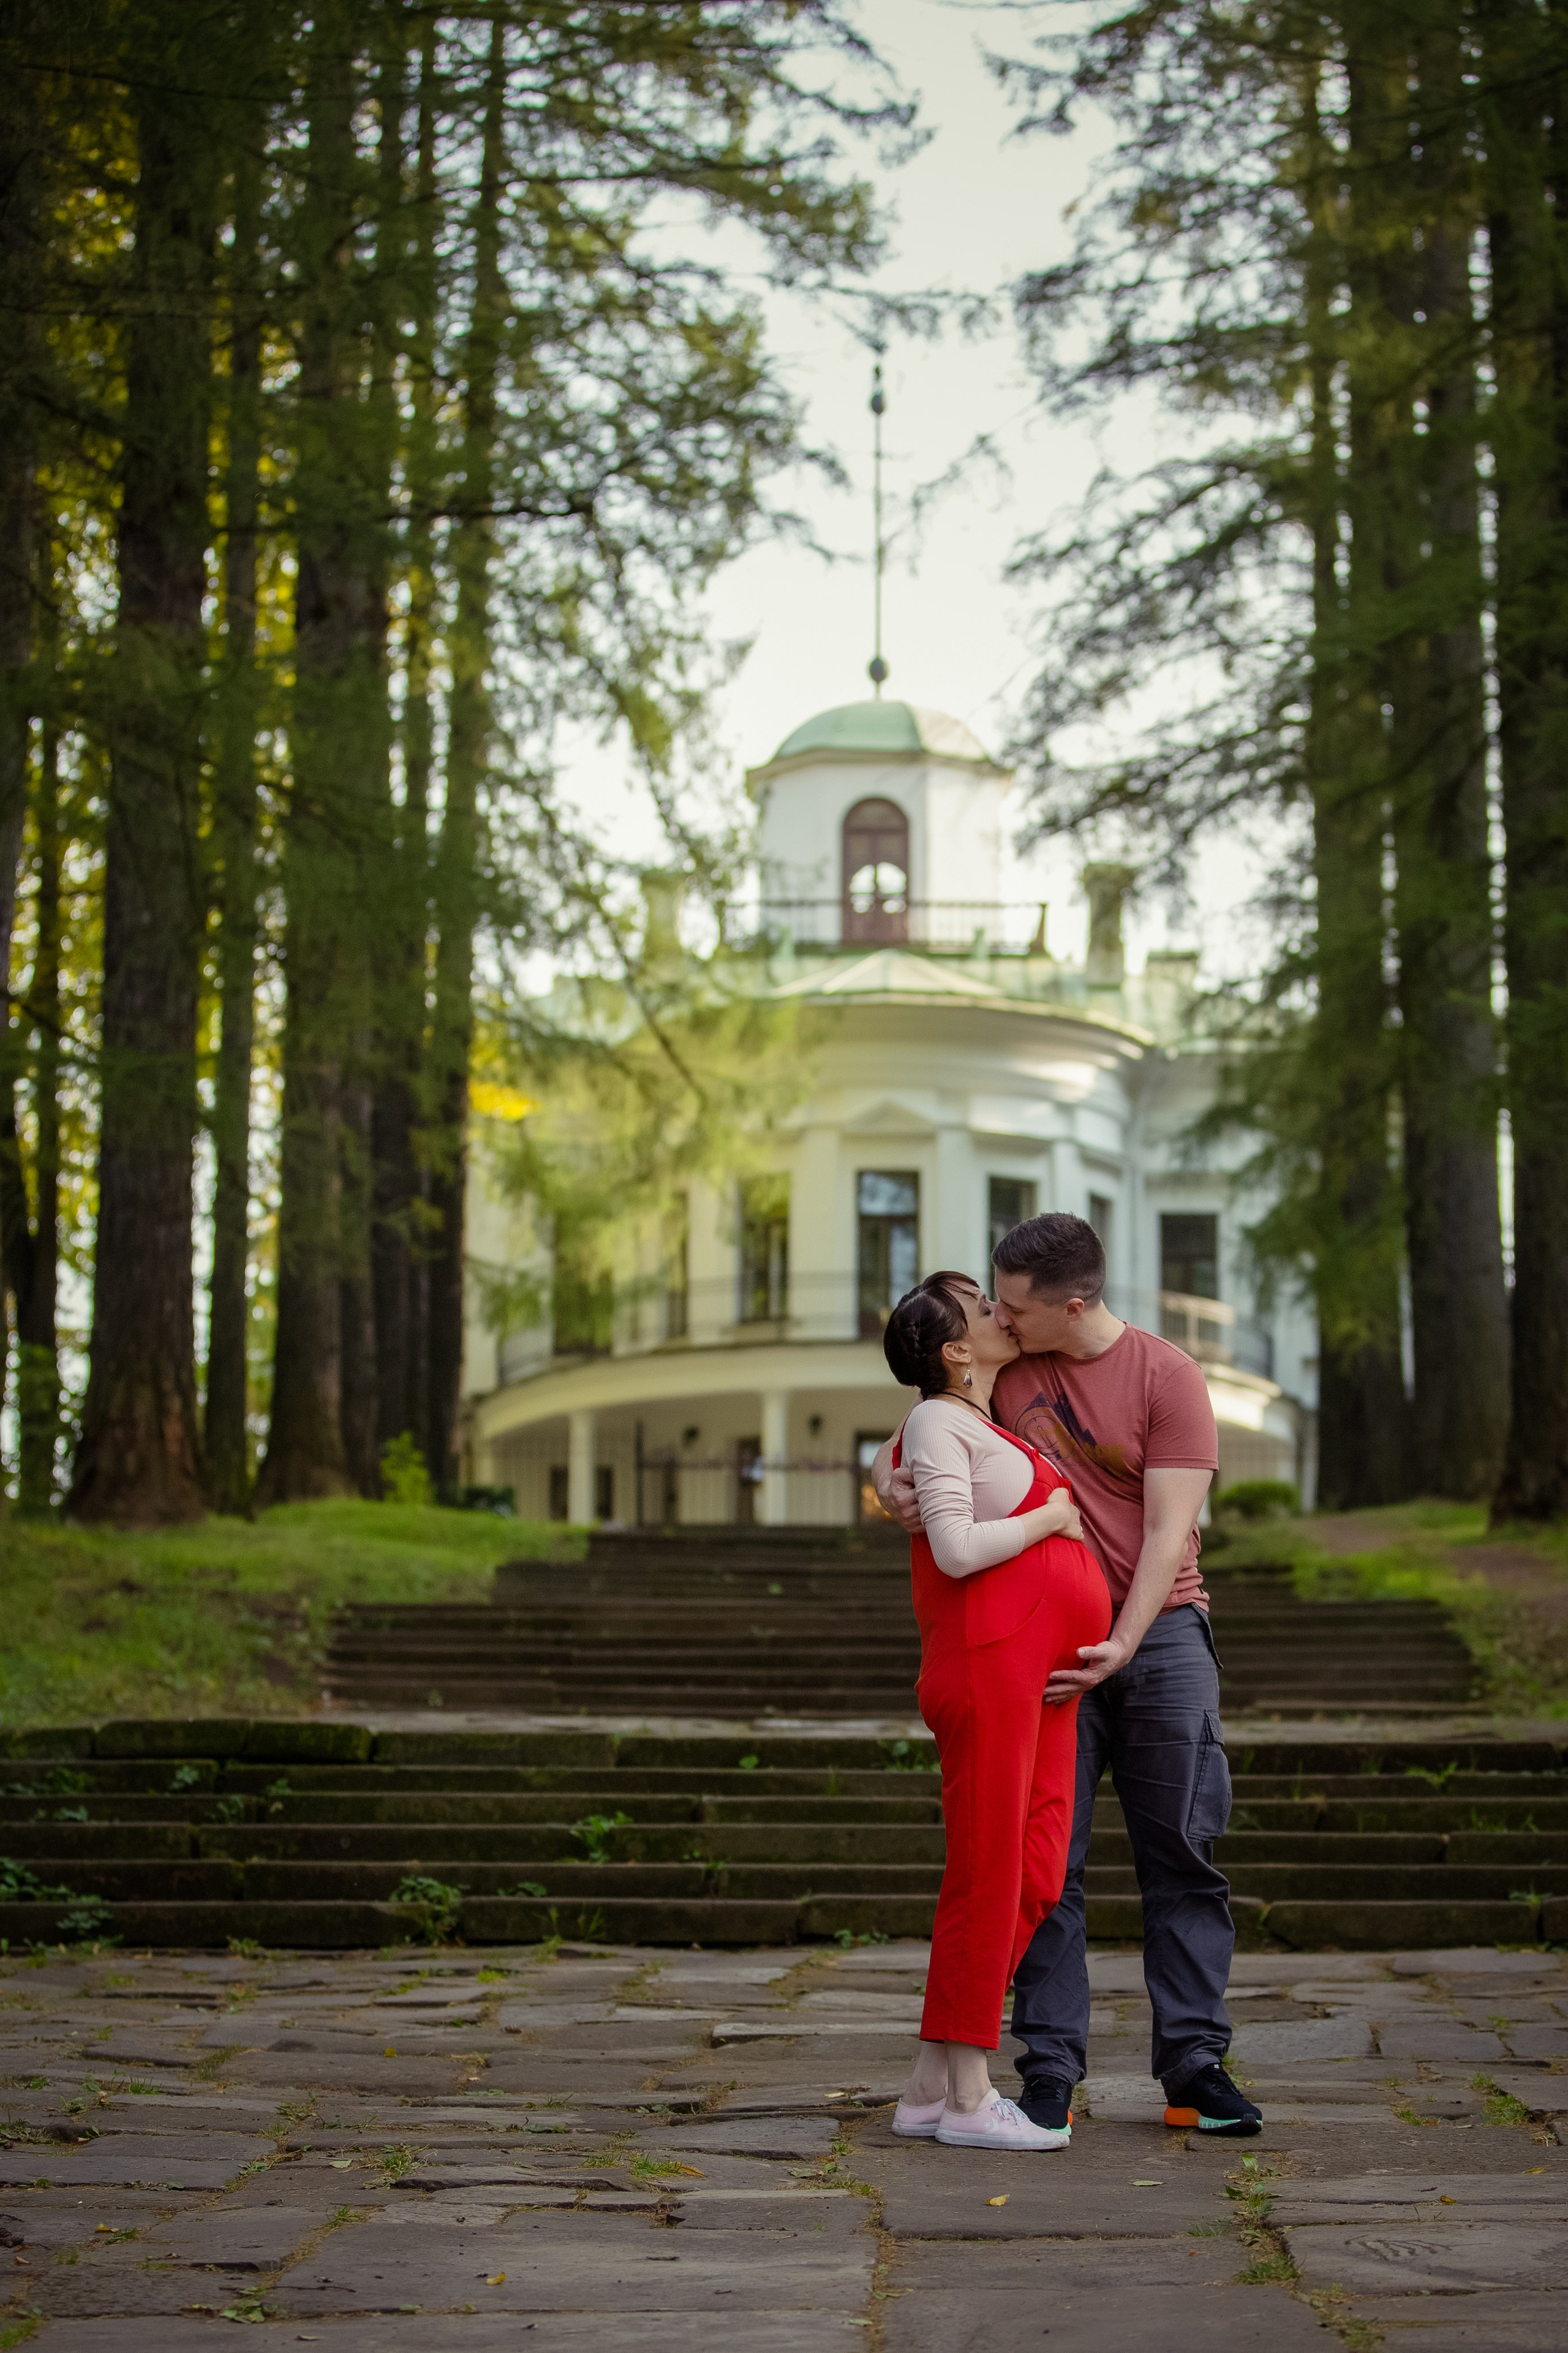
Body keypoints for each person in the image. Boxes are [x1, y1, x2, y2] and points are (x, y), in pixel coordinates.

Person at [874, 1212, 1262, 2141]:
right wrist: (884, 1473)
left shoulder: (1167, 1377)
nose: (1001, 1316)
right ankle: (1049, 2065)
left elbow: (1169, 1534)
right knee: (1050, 1861)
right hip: (1043, 1657)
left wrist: (1125, 1641)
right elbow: (932, 1421)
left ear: (1073, 1303)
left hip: (1160, 1634)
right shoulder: (1011, 1368)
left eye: (1014, 1303)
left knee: (1183, 1848)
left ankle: (1195, 2063)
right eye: (993, 1304)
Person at [881, 1270, 1112, 2153]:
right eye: (983, 1310)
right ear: (953, 1349)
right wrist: (1051, 1521)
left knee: (1037, 1871)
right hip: (986, 1666)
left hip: (1041, 1678)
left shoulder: (981, 1415)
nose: (999, 1315)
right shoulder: (940, 1418)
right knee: (987, 1871)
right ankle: (973, 2097)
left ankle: (929, 2084)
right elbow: (954, 1545)